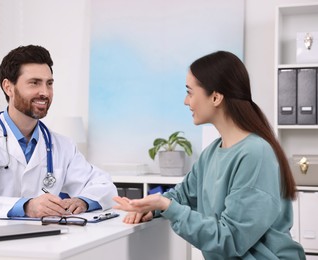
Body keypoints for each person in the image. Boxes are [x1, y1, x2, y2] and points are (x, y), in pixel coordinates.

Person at [113, 51, 306, 259]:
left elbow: (230, 239)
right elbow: (182, 195)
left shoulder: (255, 155)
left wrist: (167, 207)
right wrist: (151, 207)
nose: (187, 102)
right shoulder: (211, 153)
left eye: (190, 92)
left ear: (215, 97)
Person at [0, 45, 117, 224]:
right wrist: (26, 206)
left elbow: (104, 186)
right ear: (8, 87)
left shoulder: (62, 145)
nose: (45, 92)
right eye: (34, 83)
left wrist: (83, 201)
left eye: (49, 83)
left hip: (39, 246)